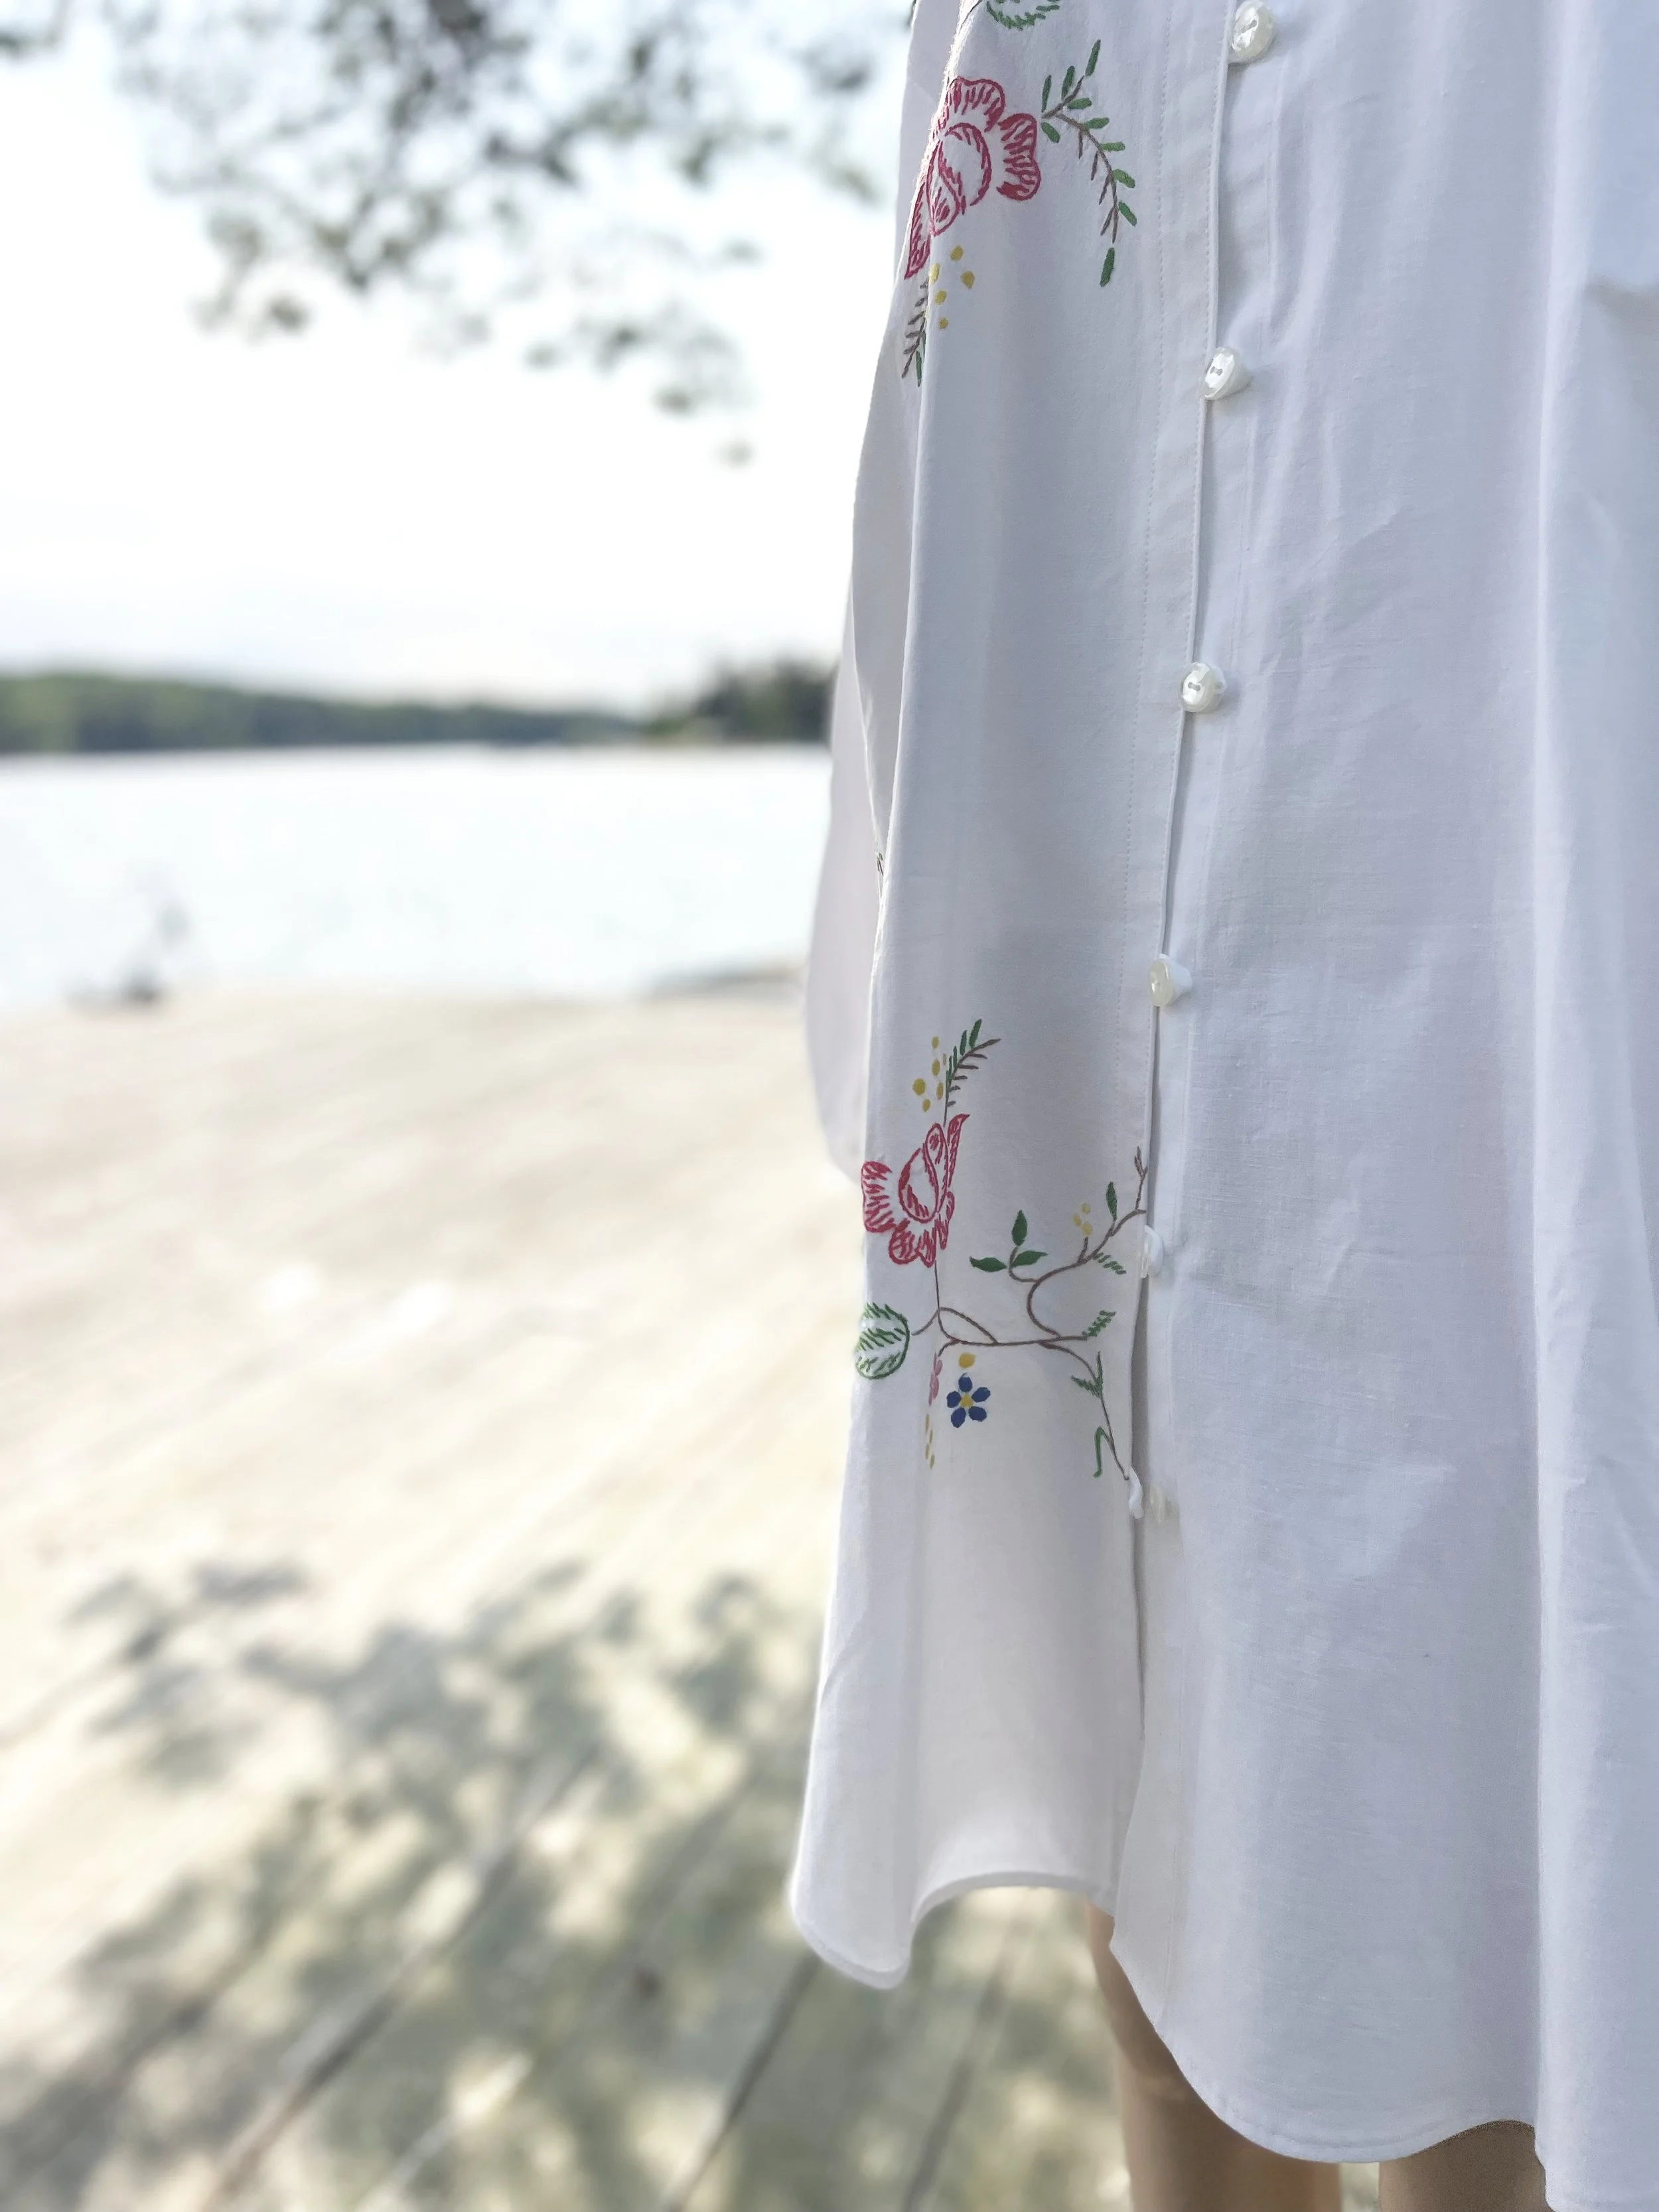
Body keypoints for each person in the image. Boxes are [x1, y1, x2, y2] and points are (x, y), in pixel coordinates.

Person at [792, 3, 1659, 2208]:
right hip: (1104, 998)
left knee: (1487, 1944)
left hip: (1485, 1017)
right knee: (1156, 1922)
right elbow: (926, 429)